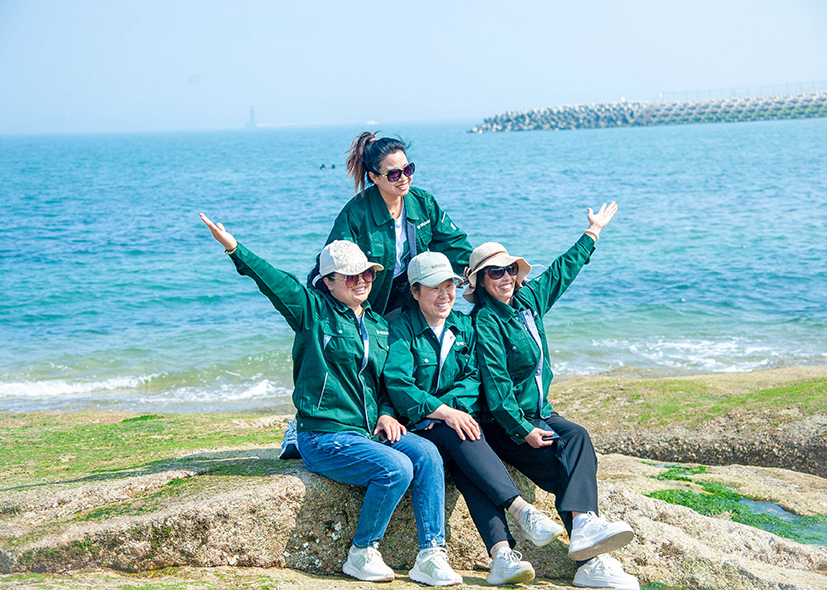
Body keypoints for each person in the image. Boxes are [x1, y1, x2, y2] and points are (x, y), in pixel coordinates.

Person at [200, 214, 462, 587]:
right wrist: (234, 248)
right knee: (396, 468)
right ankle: (362, 552)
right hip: (324, 435)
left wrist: (386, 413)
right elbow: (275, 281)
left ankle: (431, 555)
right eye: (351, 277)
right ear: (328, 282)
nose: (363, 281)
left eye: (367, 274)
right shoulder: (312, 313)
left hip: (368, 431)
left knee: (426, 454)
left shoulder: (378, 325)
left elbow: (385, 382)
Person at [466, 202, 640, 590]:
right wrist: (523, 430)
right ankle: (591, 561)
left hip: (540, 412)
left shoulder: (528, 301)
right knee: (566, 465)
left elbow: (563, 270)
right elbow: (496, 390)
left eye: (510, 269)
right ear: (480, 281)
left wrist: (592, 233)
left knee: (577, 436)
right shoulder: (485, 322)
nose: (506, 277)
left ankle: (585, 529)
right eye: (495, 272)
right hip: (503, 425)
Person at [385, 251, 570, 585]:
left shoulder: (463, 326)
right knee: (463, 433)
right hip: (416, 427)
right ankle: (521, 510)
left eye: (449, 286)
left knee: (466, 458)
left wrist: (449, 411)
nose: (445, 295)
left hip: (451, 425)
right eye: (434, 288)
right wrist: (443, 412)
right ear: (414, 291)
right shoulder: (400, 329)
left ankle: (501, 555)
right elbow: (398, 384)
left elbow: (473, 379)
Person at [309, 131, 473, 318]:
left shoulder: (423, 202)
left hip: (410, 293)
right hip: (371, 298)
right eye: (394, 174)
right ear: (374, 177)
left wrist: (472, 269)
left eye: (408, 169)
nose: (404, 178)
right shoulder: (355, 213)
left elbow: (452, 242)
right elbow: (331, 262)